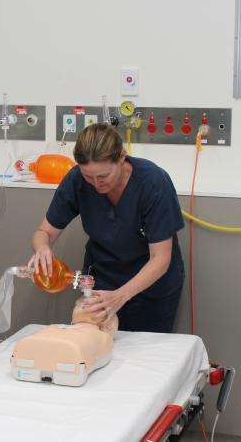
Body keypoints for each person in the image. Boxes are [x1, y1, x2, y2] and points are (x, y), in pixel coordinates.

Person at [28, 122, 185, 333]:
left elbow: (161, 259)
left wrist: (119, 296)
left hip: (151, 288)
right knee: (95, 349)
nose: (95, 184)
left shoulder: (153, 183)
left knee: (144, 357)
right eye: (88, 177)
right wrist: (42, 248)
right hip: (101, 282)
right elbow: (43, 233)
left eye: (103, 176)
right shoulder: (76, 180)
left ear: (122, 157)